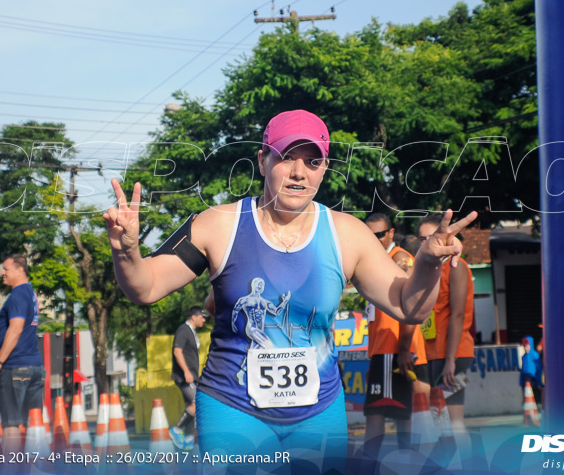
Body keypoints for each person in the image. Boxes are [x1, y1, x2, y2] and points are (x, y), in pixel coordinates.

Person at [104, 110, 476, 472]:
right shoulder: (219, 225)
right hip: (233, 409)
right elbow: (146, 286)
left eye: (313, 162)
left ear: (325, 168)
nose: (299, 172)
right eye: (286, 158)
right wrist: (126, 252)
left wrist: (427, 263)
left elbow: (408, 307)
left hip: (319, 412)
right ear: (263, 160)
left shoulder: (346, 233)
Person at [363, 214, 431, 453]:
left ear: (391, 233)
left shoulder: (399, 258)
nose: (375, 239)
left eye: (379, 234)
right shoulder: (376, 261)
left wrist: (404, 350)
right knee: (402, 418)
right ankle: (411, 464)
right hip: (384, 351)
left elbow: (414, 306)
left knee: (376, 416)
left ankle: (367, 467)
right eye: (369, 235)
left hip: (395, 350)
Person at [0, 255, 45, 457]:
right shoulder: (30, 293)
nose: (2, 272)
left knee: (11, 426)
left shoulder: (17, 295)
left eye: (6, 269)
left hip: (14, 367)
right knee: (31, 424)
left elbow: (16, 328)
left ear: (20, 271)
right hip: (34, 366)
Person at [418, 213, 475, 433]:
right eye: (421, 238)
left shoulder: (456, 266)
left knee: (453, 420)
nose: (426, 242)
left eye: (430, 236)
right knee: (440, 420)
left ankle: (464, 467)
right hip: (434, 353)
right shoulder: (429, 270)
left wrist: (450, 360)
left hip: (454, 353)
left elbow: (458, 315)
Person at [170, 305, 209, 449]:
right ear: (194, 317)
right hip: (185, 376)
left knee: (190, 406)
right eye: (202, 317)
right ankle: (177, 429)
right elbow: (177, 351)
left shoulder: (191, 332)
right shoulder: (183, 330)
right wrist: (186, 371)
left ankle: (187, 439)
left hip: (192, 376)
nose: (204, 320)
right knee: (197, 403)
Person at [519, 335, 544, 409]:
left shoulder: (535, 355)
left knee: (534, 395)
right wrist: (520, 382)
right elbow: (522, 370)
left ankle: (537, 408)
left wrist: (539, 382)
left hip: (533, 378)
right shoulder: (524, 357)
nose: (526, 348)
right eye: (524, 346)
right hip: (525, 378)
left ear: (531, 345)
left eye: (527, 346)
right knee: (526, 395)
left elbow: (539, 369)